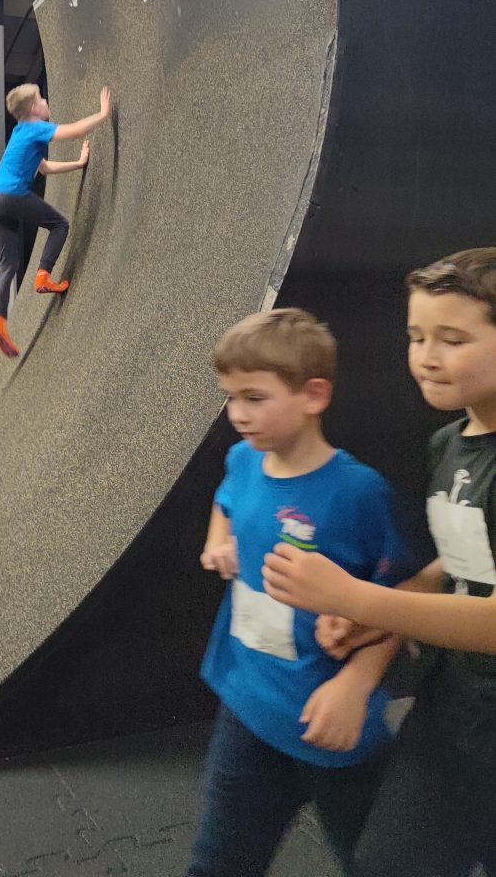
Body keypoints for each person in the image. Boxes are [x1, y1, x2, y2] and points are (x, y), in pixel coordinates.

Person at [263, 248, 496, 877]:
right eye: (417, 337)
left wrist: (358, 599)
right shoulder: (448, 444)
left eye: (453, 340)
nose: (427, 356)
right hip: (454, 709)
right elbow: (463, 563)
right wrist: (383, 613)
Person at [187, 308, 414, 877]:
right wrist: (219, 541)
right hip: (246, 706)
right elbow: (226, 499)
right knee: (217, 864)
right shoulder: (244, 458)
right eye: (230, 397)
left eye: (254, 398)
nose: (237, 414)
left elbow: (400, 599)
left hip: (331, 723)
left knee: (376, 865)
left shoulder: (359, 494)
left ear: (313, 395)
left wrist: (356, 685)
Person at [0, 83, 112, 359]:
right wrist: (102, 114)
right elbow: (76, 130)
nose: (46, 102)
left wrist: (78, 163)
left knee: (8, 263)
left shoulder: (20, 133)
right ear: (33, 108)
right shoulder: (35, 128)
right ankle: (44, 275)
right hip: (9, 195)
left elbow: (45, 167)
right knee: (59, 225)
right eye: (41, 99)